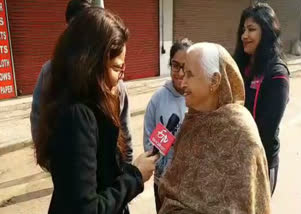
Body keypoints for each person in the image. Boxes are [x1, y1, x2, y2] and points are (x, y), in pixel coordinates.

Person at [35, 8, 158, 214]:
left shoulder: (95, 102)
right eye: (116, 68)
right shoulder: (77, 117)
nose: (121, 77)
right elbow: (87, 209)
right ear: (90, 65)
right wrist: (135, 176)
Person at [158, 43, 271, 214]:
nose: (183, 83)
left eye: (190, 75)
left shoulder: (240, 132)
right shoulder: (192, 121)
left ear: (214, 80)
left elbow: (246, 203)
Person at [30, 0, 134, 163]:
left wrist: (128, 169)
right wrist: (53, 164)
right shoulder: (52, 73)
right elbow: (38, 118)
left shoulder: (112, 80)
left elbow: (124, 128)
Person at [234, 3, 290, 195]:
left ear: (266, 32)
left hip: (260, 161)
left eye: (251, 29)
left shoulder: (277, 74)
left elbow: (266, 129)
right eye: (243, 30)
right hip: (236, 157)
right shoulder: (241, 67)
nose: (244, 36)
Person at [143, 38, 192, 212]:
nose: (179, 73)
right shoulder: (158, 100)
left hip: (190, 185)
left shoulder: (198, 98)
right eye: (175, 65)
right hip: (163, 183)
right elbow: (150, 146)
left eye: (184, 67)